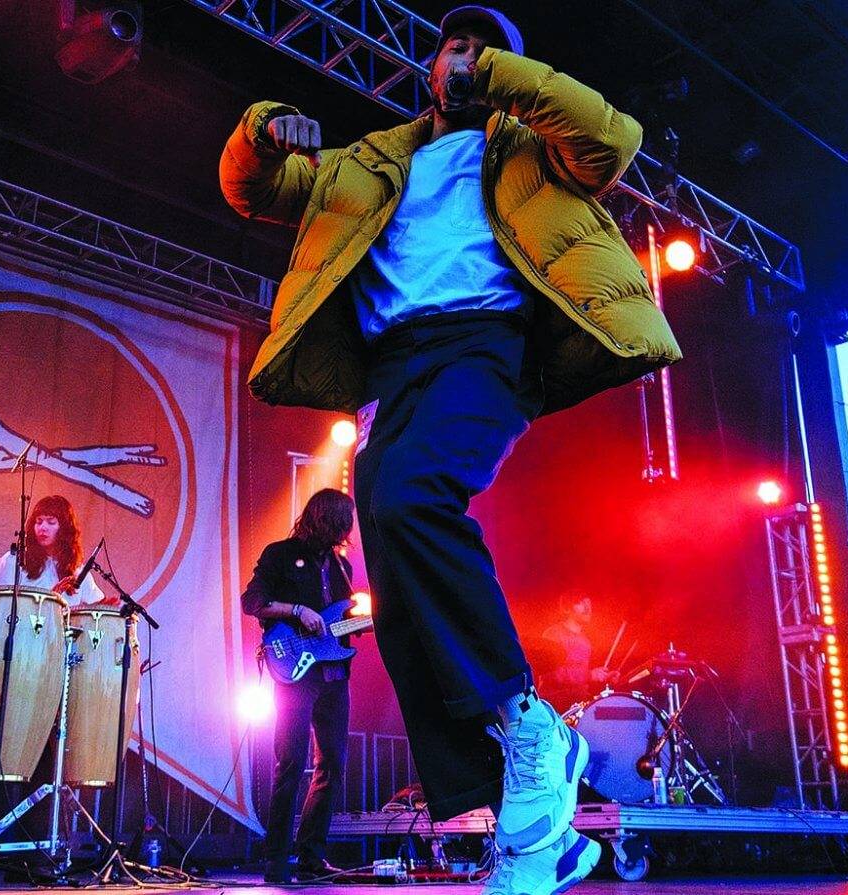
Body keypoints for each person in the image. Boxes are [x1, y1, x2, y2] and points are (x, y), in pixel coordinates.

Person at [220, 6, 681, 892]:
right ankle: (524, 813)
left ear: (503, 64)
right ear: (428, 66)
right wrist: (261, 132)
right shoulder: (372, 159)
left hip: (487, 344)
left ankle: (528, 723)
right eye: (451, 46)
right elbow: (258, 189)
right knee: (388, 555)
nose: (462, 57)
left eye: (482, 46)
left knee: (412, 496)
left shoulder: (530, 145)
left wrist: (503, 79)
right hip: (398, 361)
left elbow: (610, 139)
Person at [241, 489, 356, 883]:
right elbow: (252, 601)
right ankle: (274, 860)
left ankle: (311, 857)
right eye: (343, 520)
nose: (347, 529)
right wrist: (296, 611)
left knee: (332, 765)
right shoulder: (280, 554)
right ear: (326, 518)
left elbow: (341, 624)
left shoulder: (344, 568)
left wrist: (364, 626)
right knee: (290, 763)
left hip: (334, 676)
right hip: (294, 672)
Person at [0, 494, 111, 606]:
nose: (43, 527)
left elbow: (100, 609)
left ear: (64, 528)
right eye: (39, 521)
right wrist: (50, 599)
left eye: (51, 522)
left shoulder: (77, 571)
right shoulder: (13, 561)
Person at [539, 594, 618, 711]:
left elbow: (581, 681)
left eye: (589, 604)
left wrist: (604, 677)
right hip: (555, 705)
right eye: (581, 603)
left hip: (578, 706)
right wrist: (590, 675)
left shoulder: (585, 641)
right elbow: (553, 674)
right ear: (567, 608)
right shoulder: (553, 634)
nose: (588, 608)